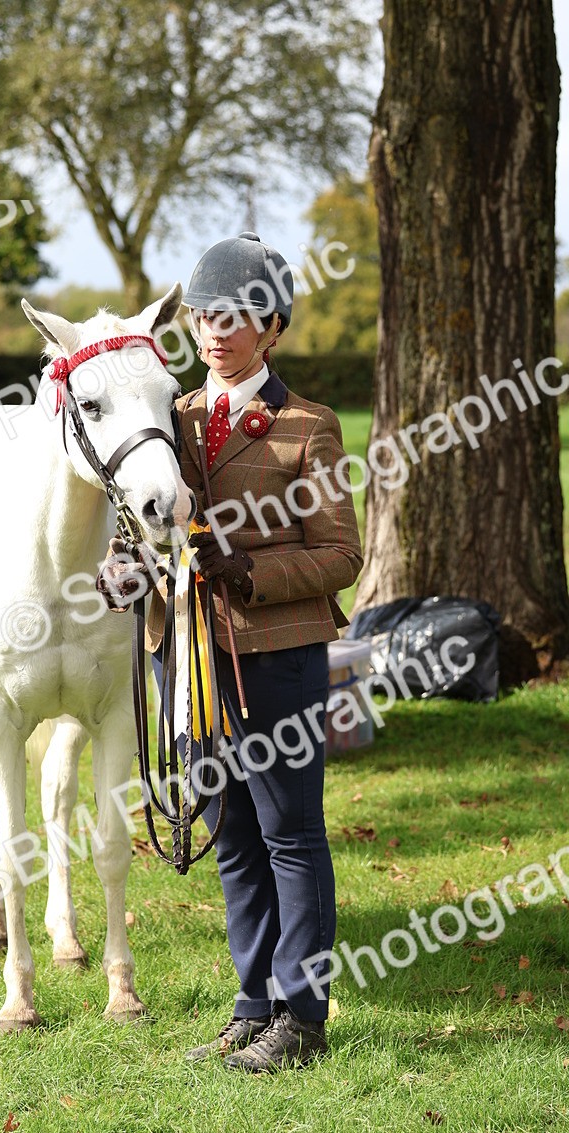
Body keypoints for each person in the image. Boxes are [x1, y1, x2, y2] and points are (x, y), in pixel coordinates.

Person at [97, 232, 363, 1073]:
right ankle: (253, 1002)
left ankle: (304, 1016)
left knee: (290, 834)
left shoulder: (306, 428)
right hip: (185, 661)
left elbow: (341, 558)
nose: (216, 331)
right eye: (206, 315)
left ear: (273, 326)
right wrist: (122, 566)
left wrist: (247, 571)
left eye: (237, 317)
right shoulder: (168, 420)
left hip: (276, 659)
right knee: (234, 835)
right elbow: (139, 525)